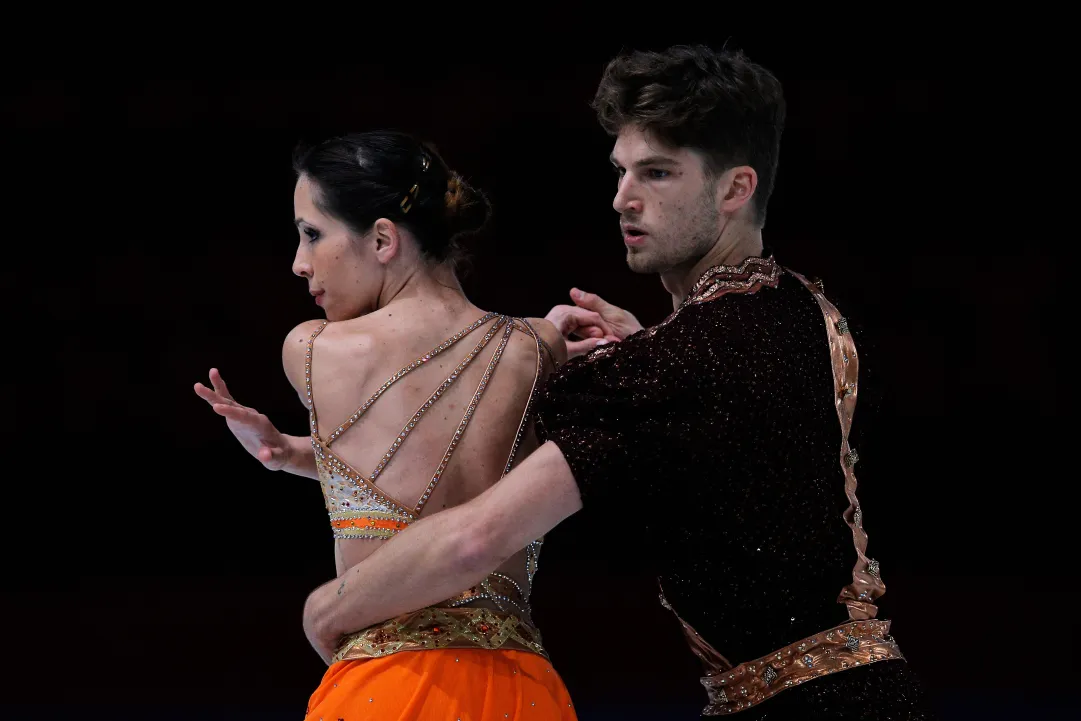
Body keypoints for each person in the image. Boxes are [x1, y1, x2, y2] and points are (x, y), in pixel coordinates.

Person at [297, 46, 938, 719]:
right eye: (620, 171)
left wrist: (332, 606)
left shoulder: (674, 366)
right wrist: (651, 351)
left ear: (734, 188)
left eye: (656, 173)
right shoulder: (817, 317)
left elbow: (475, 540)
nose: (621, 199)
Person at [194, 130, 583, 720]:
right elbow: (443, 464)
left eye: (311, 234)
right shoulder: (538, 347)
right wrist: (293, 452)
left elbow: (387, 460)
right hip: (522, 689)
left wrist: (293, 451)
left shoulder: (312, 347)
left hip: (386, 686)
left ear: (381, 239)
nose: (299, 264)